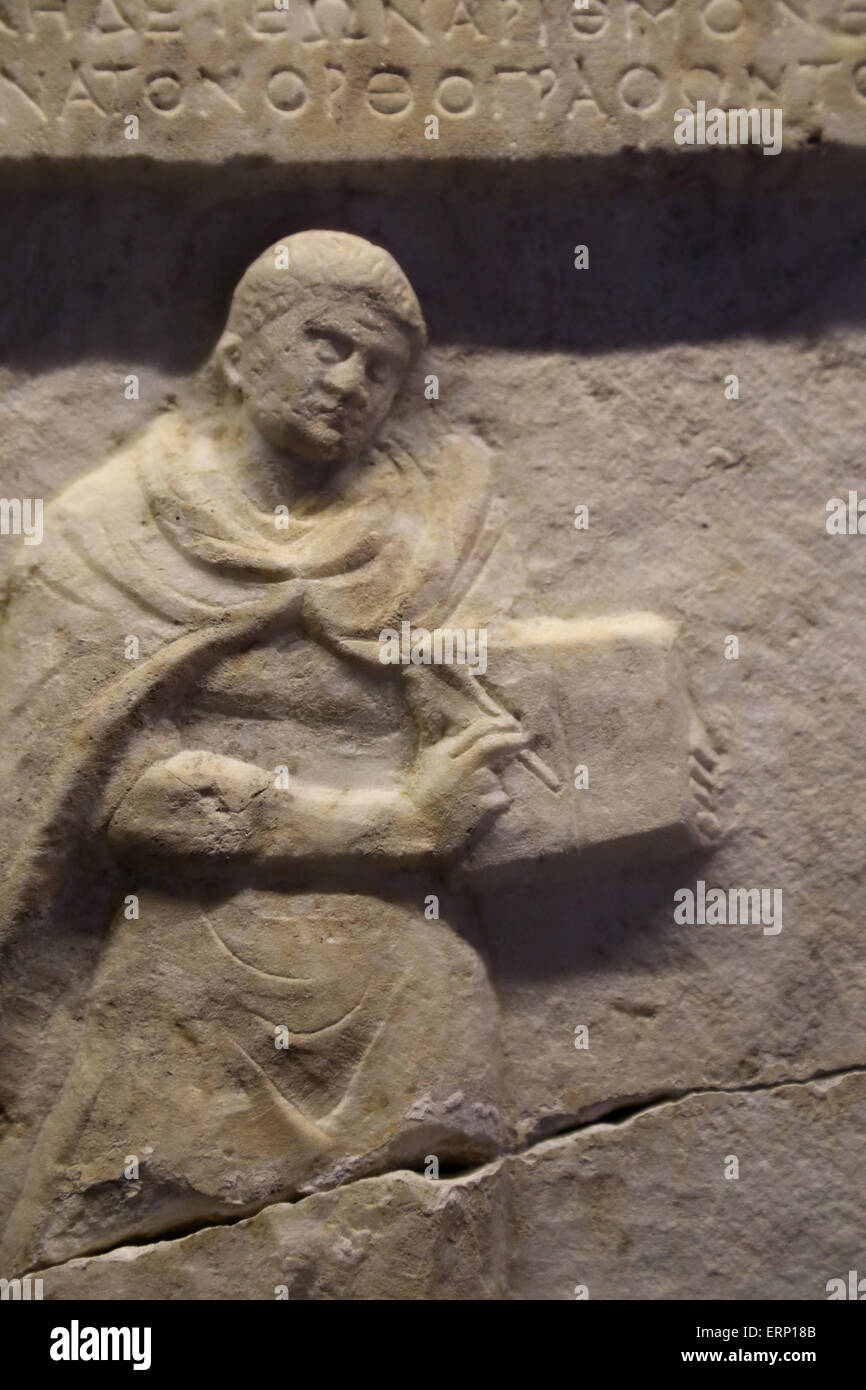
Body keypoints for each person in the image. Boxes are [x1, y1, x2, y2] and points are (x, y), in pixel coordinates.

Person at [0, 232, 530, 1273]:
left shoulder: (442, 527)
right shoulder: (110, 532)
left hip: (406, 970)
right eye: (324, 344)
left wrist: (639, 767)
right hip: (190, 970)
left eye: (380, 369)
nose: (351, 382)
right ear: (240, 355)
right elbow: (124, 799)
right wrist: (396, 820)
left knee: (426, 1251)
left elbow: (509, 740)